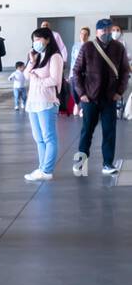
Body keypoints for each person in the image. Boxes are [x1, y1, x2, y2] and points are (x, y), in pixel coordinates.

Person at [72, 18, 130, 176]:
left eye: (109, 30)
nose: (107, 33)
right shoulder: (88, 47)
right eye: (103, 30)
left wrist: (120, 91)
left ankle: (108, 164)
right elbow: (76, 72)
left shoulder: (118, 47)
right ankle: (80, 163)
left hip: (110, 98)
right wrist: (82, 93)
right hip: (90, 98)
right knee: (86, 131)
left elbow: (125, 71)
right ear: (97, 31)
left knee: (110, 132)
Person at [23, 28, 63, 182]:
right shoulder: (37, 56)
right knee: (38, 138)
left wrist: (37, 80)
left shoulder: (55, 57)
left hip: (47, 102)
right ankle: (42, 168)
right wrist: (32, 63)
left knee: (49, 137)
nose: (36, 43)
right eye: (34, 39)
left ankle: (47, 170)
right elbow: (26, 75)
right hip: (33, 102)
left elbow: (54, 80)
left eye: (39, 39)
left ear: (48, 39)